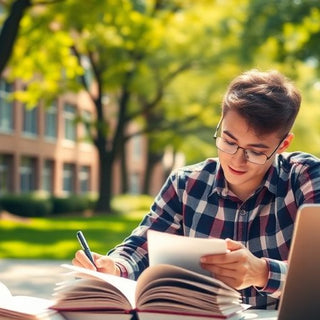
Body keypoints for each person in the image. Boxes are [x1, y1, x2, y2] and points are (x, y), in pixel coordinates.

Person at [73, 69, 320, 309]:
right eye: (229, 141)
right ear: (221, 124)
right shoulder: (186, 184)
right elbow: (141, 247)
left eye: (255, 151)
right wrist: (114, 267)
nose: (236, 159)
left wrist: (264, 273)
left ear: (283, 144)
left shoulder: (305, 177)